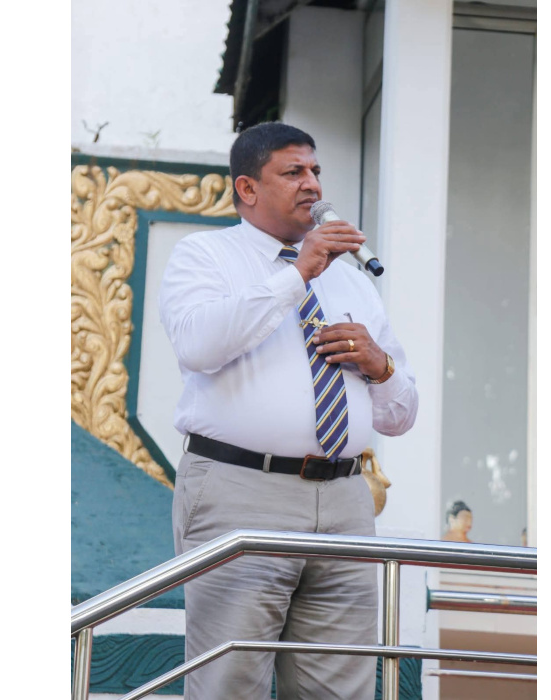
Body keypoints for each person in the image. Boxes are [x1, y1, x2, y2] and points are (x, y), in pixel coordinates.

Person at [158, 122, 418, 700]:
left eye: (316, 171)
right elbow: (199, 345)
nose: (312, 184)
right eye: (293, 172)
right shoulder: (205, 255)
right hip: (242, 490)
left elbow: (400, 417)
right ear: (247, 188)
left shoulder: (353, 283)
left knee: (342, 687)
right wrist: (297, 272)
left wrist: (380, 367)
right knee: (230, 683)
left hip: (347, 500)